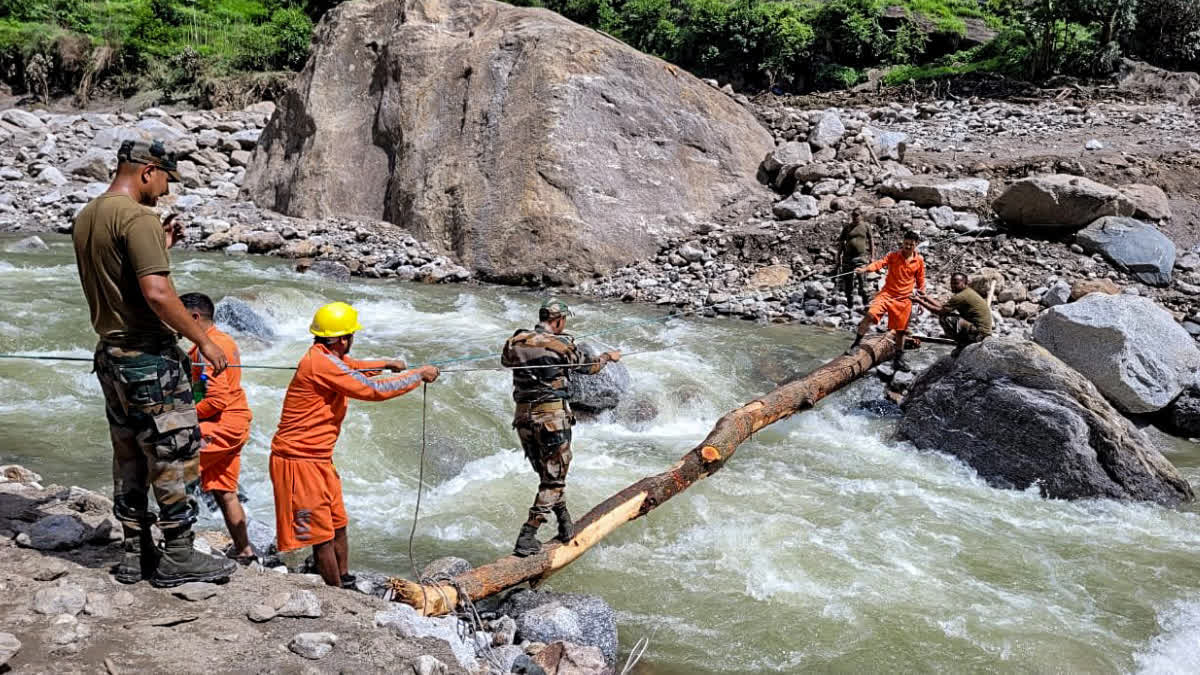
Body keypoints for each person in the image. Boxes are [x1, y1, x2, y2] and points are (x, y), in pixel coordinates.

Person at [73, 139, 236, 587]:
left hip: (111, 355)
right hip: (149, 358)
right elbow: (158, 294)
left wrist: (160, 246)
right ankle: (179, 555)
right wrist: (204, 339)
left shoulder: (89, 215)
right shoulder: (137, 216)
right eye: (165, 179)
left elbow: (118, 280)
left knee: (128, 454)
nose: (164, 192)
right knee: (173, 453)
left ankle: (134, 552)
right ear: (147, 170)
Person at [269, 301, 439, 587]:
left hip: (319, 459)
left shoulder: (325, 356)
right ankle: (336, 594)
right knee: (320, 535)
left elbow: (352, 367)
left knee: (338, 523)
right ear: (344, 338)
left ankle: (344, 579)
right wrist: (417, 375)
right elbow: (373, 390)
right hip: (297, 460)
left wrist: (386, 364)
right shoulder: (320, 363)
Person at [501, 299, 621, 557]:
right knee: (554, 479)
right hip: (551, 419)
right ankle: (528, 535)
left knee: (548, 475)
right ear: (558, 321)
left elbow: (505, 361)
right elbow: (589, 367)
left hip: (523, 418)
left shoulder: (516, 341)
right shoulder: (563, 345)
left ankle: (565, 522)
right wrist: (608, 357)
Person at [180, 292, 256, 563]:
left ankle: (177, 547)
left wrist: (182, 415)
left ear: (194, 317)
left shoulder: (207, 347)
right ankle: (245, 551)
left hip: (220, 426)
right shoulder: (223, 340)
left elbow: (216, 399)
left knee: (175, 475)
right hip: (236, 423)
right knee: (225, 491)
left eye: (178, 318)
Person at [845, 230, 926, 372]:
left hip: (904, 299)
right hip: (887, 294)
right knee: (870, 314)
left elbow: (921, 281)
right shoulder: (893, 256)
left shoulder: (919, 261)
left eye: (910, 245)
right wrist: (865, 269)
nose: (907, 247)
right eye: (905, 244)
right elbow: (879, 264)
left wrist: (921, 300)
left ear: (916, 245)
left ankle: (898, 359)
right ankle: (856, 344)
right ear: (902, 242)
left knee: (901, 331)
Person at [914, 273, 993, 356]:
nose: (953, 286)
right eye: (951, 283)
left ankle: (964, 343)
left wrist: (920, 301)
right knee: (947, 314)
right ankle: (965, 342)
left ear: (965, 284)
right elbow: (943, 307)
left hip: (980, 333)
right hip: (981, 330)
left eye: (956, 283)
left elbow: (940, 311)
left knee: (945, 318)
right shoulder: (966, 292)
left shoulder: (961, 296)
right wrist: (926, 297)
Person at [835, 209, 876, 309]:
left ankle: (866, 304)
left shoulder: (866, 226)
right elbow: (841, 243)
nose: (854, 217)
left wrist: (872, 256)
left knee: (862, 281)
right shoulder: (847, 227)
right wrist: (838, 257)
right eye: (853, 215)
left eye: (857, 215)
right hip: (847, 258)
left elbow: (871, 241)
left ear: (861, 215)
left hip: (861, 258)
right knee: (848, 283)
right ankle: (850, 305)